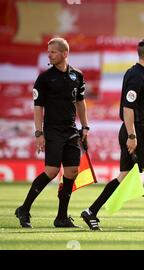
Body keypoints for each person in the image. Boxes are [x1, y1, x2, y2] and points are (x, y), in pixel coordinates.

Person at [80, 39, 144, 232]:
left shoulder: (136, 73)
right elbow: (128, 107)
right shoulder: (138, 76)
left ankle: (91, 211)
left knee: (124, 176)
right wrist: (133, 135)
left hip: (135, 129)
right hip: (136, 130)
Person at [15, 37, 89, 228]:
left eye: (53, 52)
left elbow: (80, 102)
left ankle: (61, 217)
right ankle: (24, 208)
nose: (49, 55)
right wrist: (38, 133)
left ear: (65, 54)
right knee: (52, 170)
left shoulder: (77, 76)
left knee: (72, 171)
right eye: (49, 52)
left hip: (71, 130)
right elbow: (38, 107)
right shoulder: (45, 78)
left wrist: (85, 127)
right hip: (52, 130)